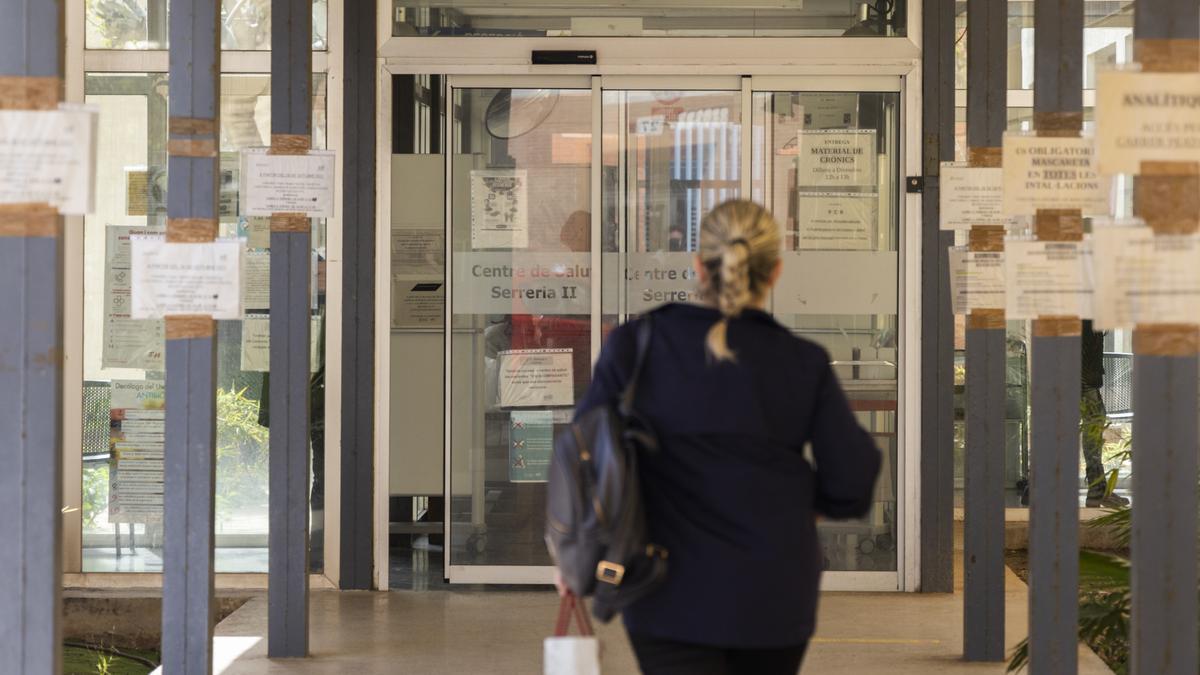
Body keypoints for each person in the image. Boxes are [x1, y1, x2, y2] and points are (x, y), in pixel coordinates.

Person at [559, 200, 881, 675]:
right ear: (775, 273)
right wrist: (801, 498)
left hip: (664, 593)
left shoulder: (636, 346)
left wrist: (574, 550)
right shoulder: (802, 361)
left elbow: (581, 458)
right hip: (775, 595)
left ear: (697, 266)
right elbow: (852, 481)